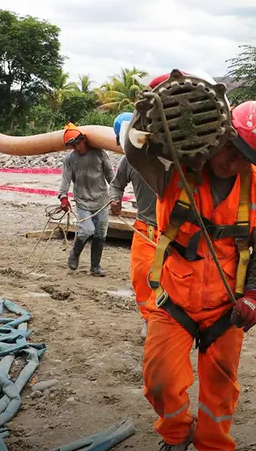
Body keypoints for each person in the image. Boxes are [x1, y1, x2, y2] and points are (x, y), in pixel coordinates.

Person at [124, 92, 256, 451]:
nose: (234, 162)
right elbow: (134, 152)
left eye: (247, 158)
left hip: (227, 308)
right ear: (221, 134)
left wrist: (254, 297)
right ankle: (177, 434)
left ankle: (212, 444)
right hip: (173, 299)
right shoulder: (175, 169)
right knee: (159, 381)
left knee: (221, 392)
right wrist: (144, 112)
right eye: (232, 149)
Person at [107, 112, 157, 341]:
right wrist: (114, 200)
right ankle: (149, 319)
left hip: (176, 229)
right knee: (142, 276)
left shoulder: (167, 155)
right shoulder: (128, 161)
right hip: (145, 227)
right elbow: (116, 186)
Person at [58, 122, 115, 276]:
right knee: (86, 231)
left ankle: (95, 267)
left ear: (83, 141)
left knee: (100, 233)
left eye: (77, 144)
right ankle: (74, 254)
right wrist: (63, 197)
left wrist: (117, 193)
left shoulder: (100, 154)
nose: (76, 148)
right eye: (73, 146)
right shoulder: (70, 159)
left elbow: (110, 175)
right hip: (83, 201)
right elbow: (65, 180)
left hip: (102, 201)